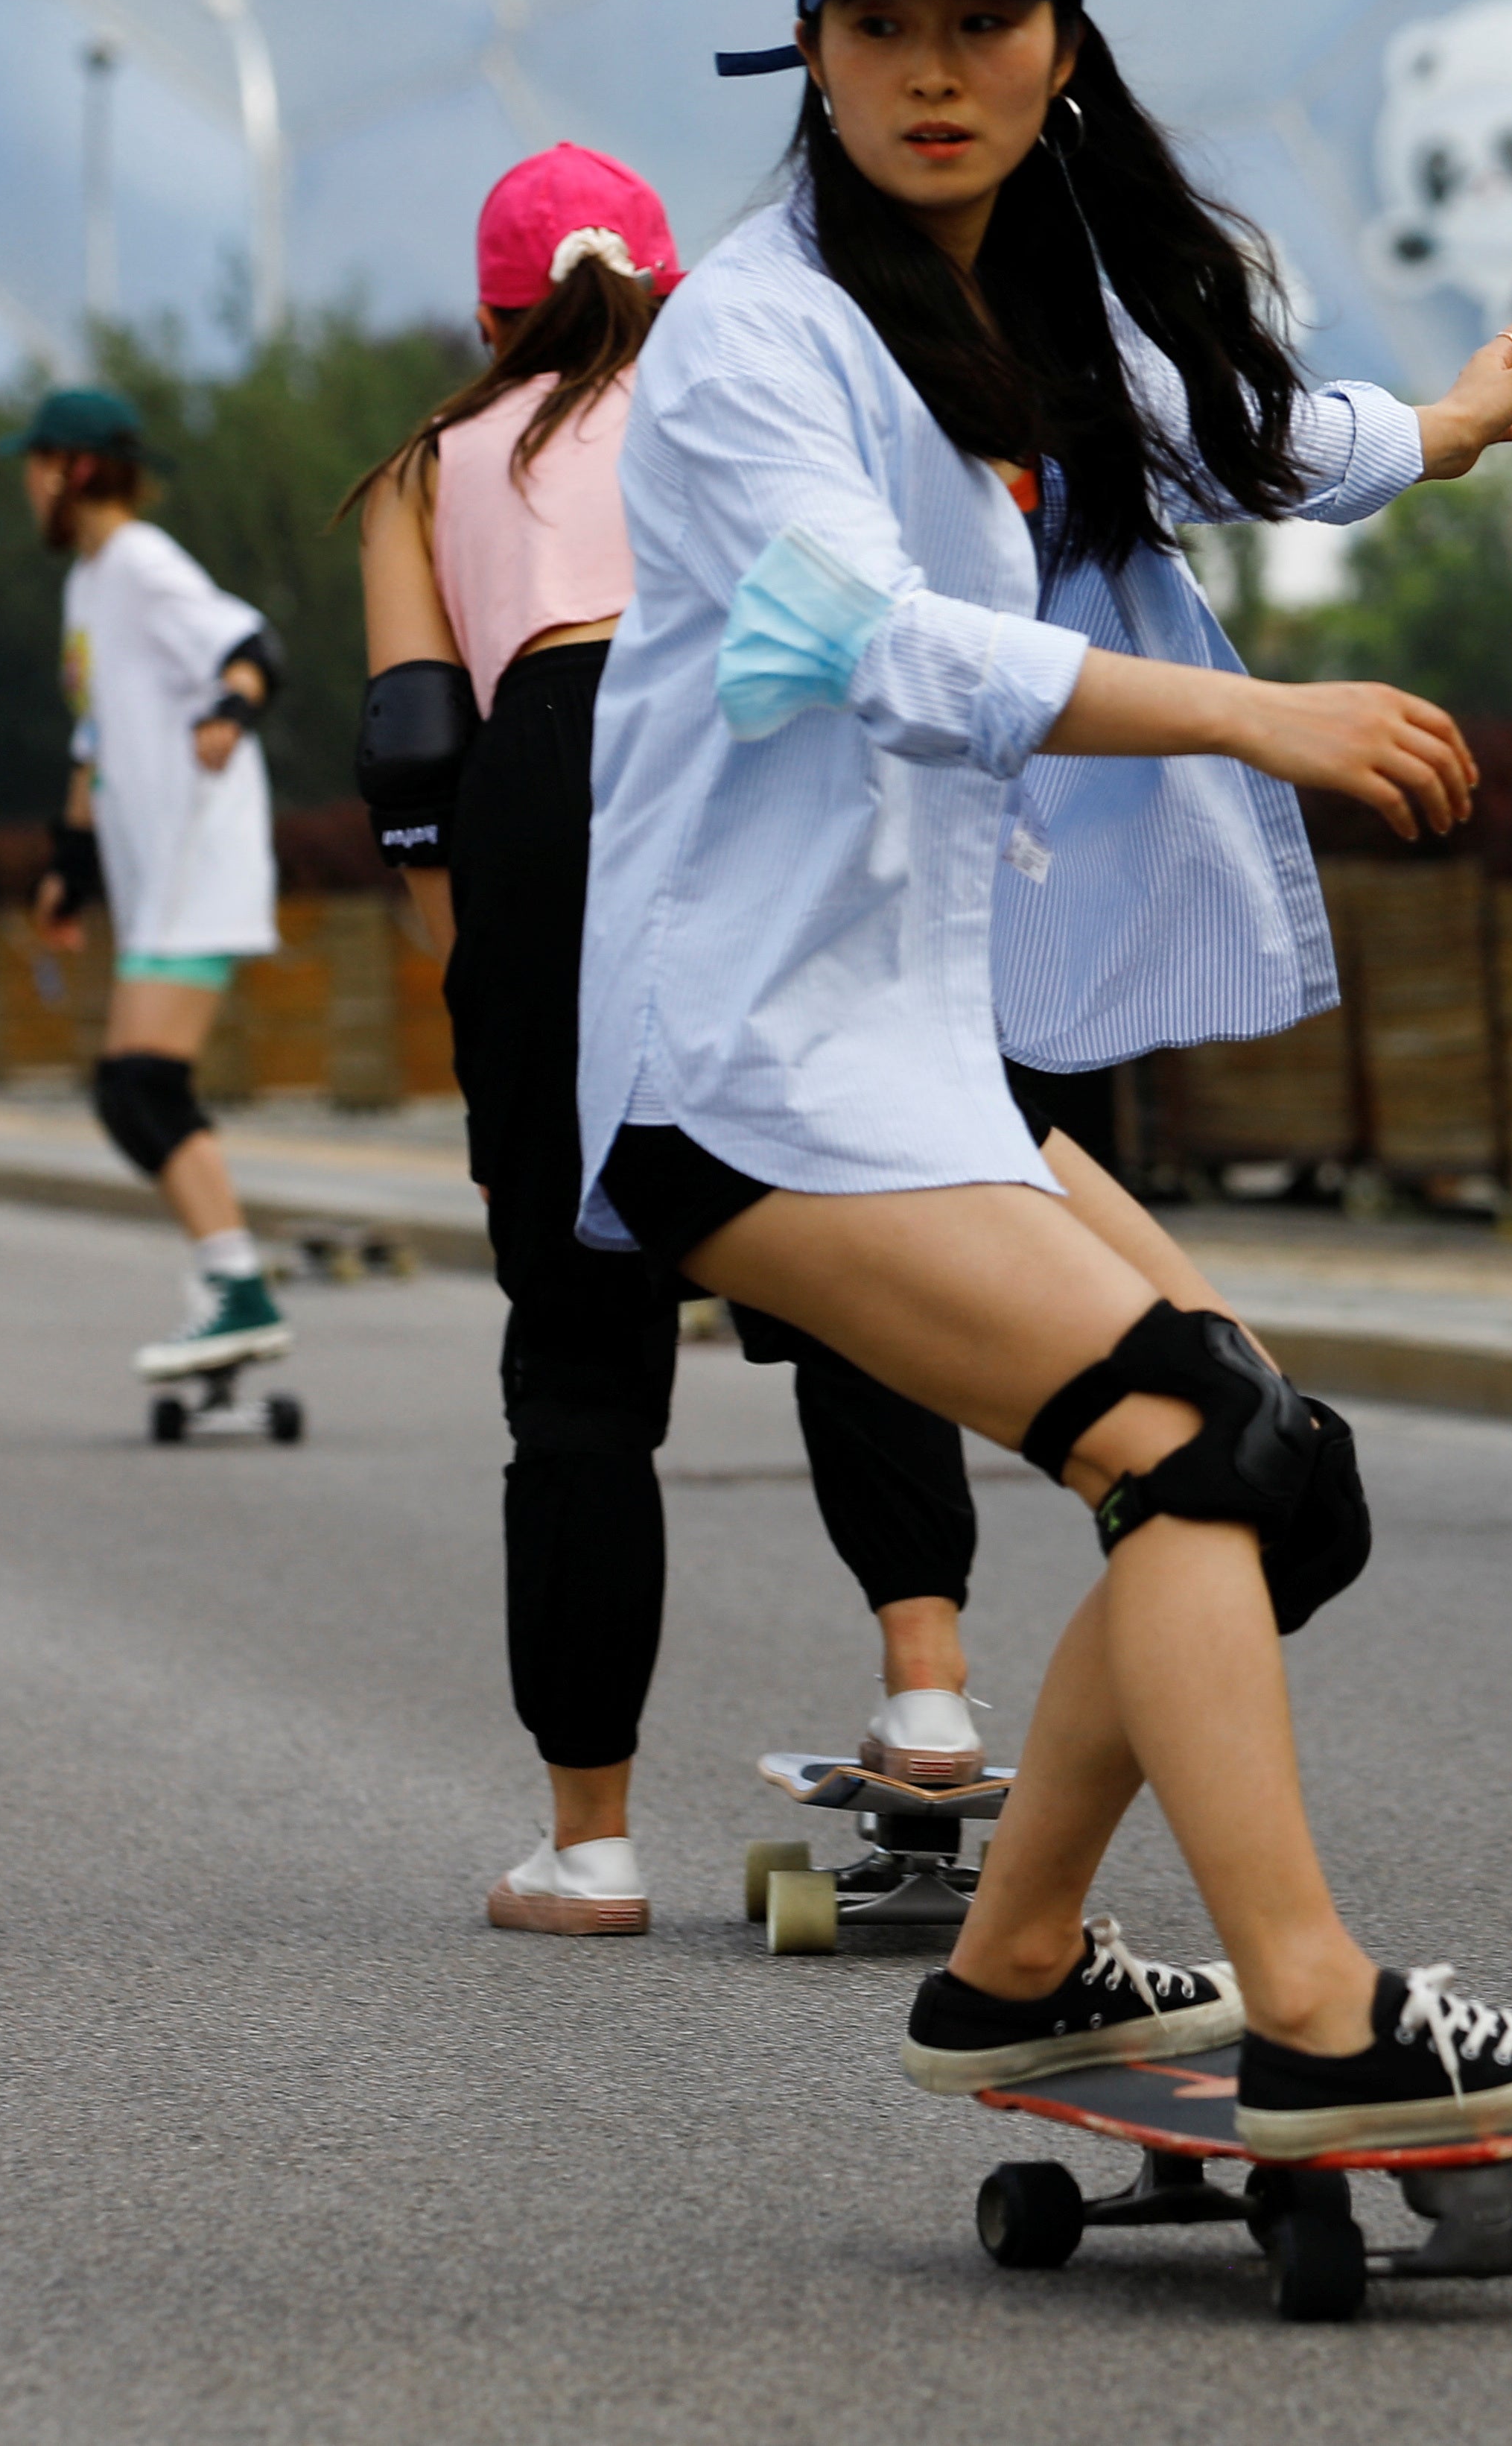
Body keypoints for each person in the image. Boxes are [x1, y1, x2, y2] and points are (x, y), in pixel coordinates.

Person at [572, 0, 1512, 2153]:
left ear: (1062, 50)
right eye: (883, 25)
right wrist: (1263, 715)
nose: (933, 70)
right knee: (1182, 1450)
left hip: (912, 1045)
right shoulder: (754, 337)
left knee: (1283, 1476)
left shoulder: (1020, 306)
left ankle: (1015, 1964)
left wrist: (1433, 433)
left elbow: (1224, 429)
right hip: (745, 1067)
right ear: (815, 57)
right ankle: (1319, 2003)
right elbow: (887, 645)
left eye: (982, 22)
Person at [348, 141, 991, 1936]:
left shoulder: (429, 461)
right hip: (737, 732)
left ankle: (593, 1840)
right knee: (850, 1240)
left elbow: (412, 747)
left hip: (543, 773)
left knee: (576, 1353)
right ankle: (927, 1691)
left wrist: (487, 963)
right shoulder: (736, 377)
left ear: (491, 316)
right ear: (667, 287)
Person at [16, 390, 295, 1385]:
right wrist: (69, 868)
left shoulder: (140, 562)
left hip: (200, 859)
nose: (27, 486)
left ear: (77, 469)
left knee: (142, 1086)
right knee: (127, 1093)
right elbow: (93, 745)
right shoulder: (87, 586)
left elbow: (249, 644)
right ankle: (228, 1282)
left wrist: (231, 705)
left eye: (35, 465)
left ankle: (238, 1286)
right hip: (152, 877)